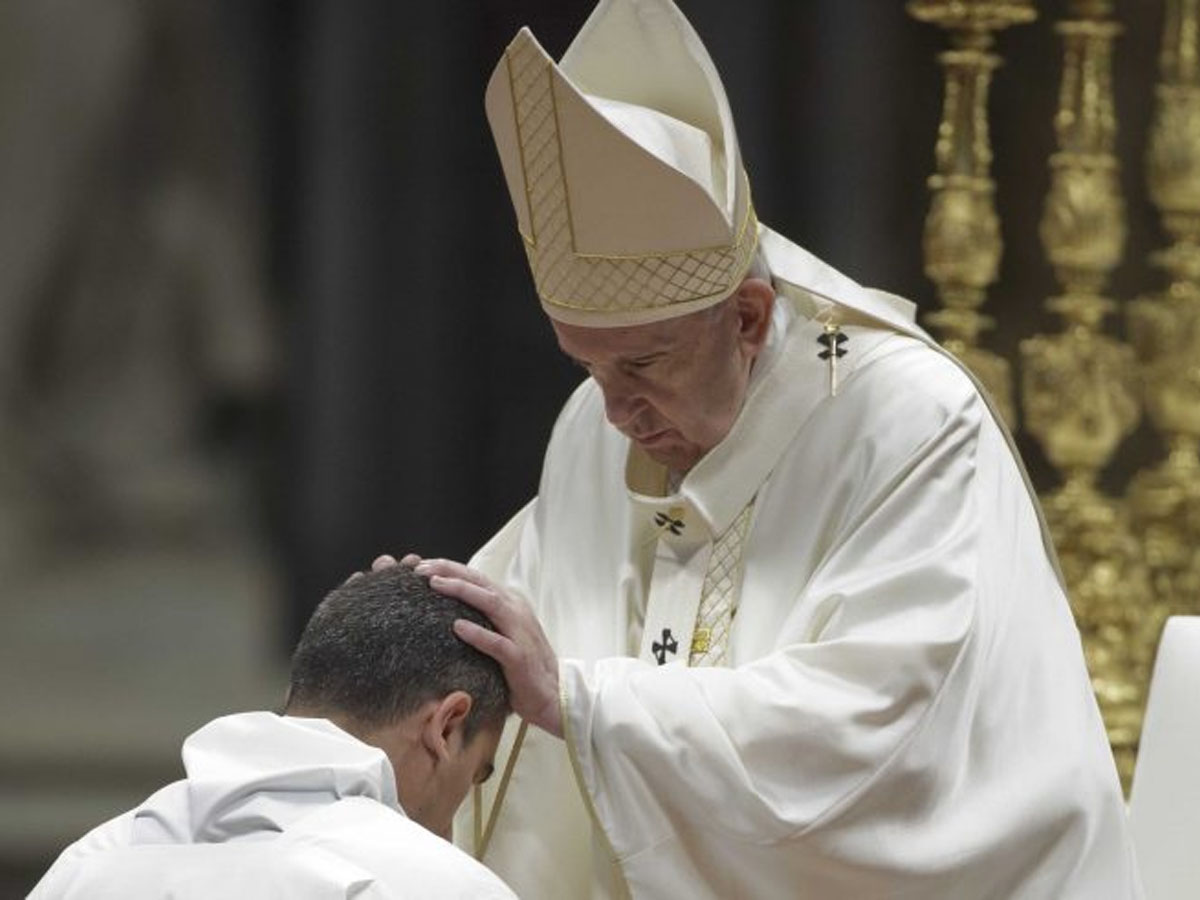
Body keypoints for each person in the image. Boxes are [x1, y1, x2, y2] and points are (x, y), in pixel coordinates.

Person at [403, 0, 1145, 898]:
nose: (616, 413)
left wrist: (581, 701)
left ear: (748, 319)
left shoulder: (909, 423)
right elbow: (529, 625)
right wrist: (419, 628)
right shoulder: (592, 427)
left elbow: (878, 738)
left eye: (643, 365)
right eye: (586, 365)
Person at [29, 566, 517, 899]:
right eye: (477, 774)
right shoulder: (435, 885)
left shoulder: (87, 865)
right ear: (446, 726)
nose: (451, 829)